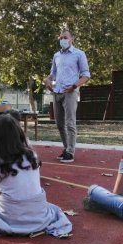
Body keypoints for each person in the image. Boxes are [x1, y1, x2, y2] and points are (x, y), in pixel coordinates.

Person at [0, 114, 72, 237]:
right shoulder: (32, 155)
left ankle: (8, 216)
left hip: (8, 216)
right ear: (19, 133)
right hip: (38, 214)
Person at [45, 30, 90, 163]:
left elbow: (86, 75)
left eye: (65, 37)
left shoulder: (79, 54)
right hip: (57, 91)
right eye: (61, 38)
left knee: (70, 122)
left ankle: (70, 151)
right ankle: (66, 148)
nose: (63, 40)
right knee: (59, 123)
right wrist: (48, 80)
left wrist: (75, 86)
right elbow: (52, 73)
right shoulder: (56, 55)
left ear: (72, 39)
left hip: (70, 92)